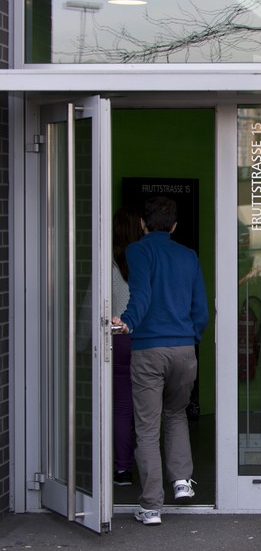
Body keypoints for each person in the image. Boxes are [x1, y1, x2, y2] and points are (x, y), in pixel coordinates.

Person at [112, 196, 209, 526]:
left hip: (149, 351)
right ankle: (182, 482)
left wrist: (128, 320)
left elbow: (141, 293)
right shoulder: (189, 256)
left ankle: (152, 506)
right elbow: (201, 311)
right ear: (174, 225)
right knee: (177, 413)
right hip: (184, 350)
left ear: (143, 224)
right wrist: (190, 337)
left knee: (147, 428)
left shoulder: (137, 251)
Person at [110, 207, 144, 487]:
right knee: (148, 407)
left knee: (121, 408)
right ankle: (151, 470)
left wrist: (84, 342)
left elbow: (92, 305)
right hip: (146, 339)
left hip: (118, 340)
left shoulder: (108, 263)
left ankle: (122, 470)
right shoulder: (147, 261)